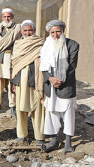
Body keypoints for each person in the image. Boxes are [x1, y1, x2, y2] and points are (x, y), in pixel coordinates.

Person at [40, 20, 79, 153]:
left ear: (63, 31)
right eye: (52, 32)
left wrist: (60, 81)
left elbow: (72, 67)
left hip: (66, 85)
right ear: (49, 33)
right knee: (51, 113)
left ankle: (68, 143)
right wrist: (50, 79)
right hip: (51, 85)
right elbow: (43, 66)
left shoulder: (72, 45)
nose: (55, 35)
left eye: (58, 31)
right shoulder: (46, 45)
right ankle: (53, 140)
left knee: (68, 113)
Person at [10, 20, 45, 145]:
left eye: (30, 30)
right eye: (25, 31)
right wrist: (13, 82)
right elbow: (14, 64)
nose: (28, 33)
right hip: (20, 81)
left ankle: (40, 137)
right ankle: (21, 135)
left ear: (34, 31)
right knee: (20, 109)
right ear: (21, 32)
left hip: (36, 80)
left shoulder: (41, 43)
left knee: (38, 109)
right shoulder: (18, 44)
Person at [0, 8, 21, 116]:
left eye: (9, 17)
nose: (7, 19)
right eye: (5, 17)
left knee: (12, 83)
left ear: (12, 17)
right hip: (0, 59)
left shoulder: (18, 28)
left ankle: (13, 105)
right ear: (2, 17)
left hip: (12, 58)